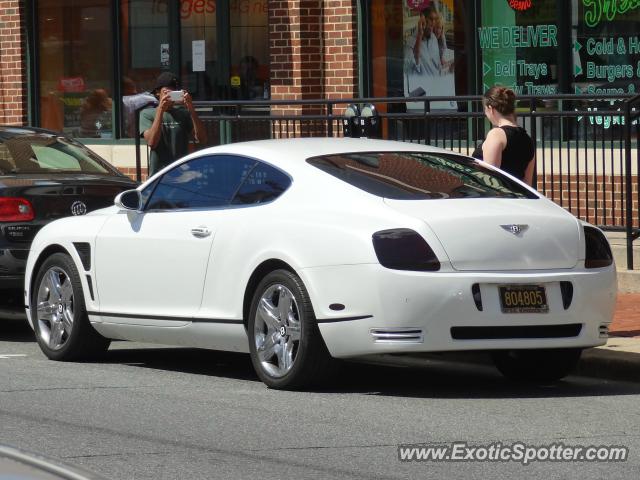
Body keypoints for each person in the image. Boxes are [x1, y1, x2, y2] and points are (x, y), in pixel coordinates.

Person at [139, 72, 207, 176]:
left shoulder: (183, 113)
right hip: (158, 175)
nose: (169, 96)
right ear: (157, 92)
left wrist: (191, 108)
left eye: (173, 93)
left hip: (181, 173)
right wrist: (161, 110)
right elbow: (152, 142)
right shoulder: (147, 114)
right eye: (166, 92)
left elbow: (201, 138)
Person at [477, 86, 535, 186]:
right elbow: (527, 183)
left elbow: (490, 180)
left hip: (496, 199)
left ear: (490, 109)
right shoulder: (527, 139)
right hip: (517, 199)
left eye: (485, 110)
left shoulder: (496, 135)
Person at [412, 6, 441, 77]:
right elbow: (413, 69)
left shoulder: (433, 38)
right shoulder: (412, 42)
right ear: (422, 19)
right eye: (431, 19)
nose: (433, 23)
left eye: (435, 19)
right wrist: (420, 34)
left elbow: (437, 65)